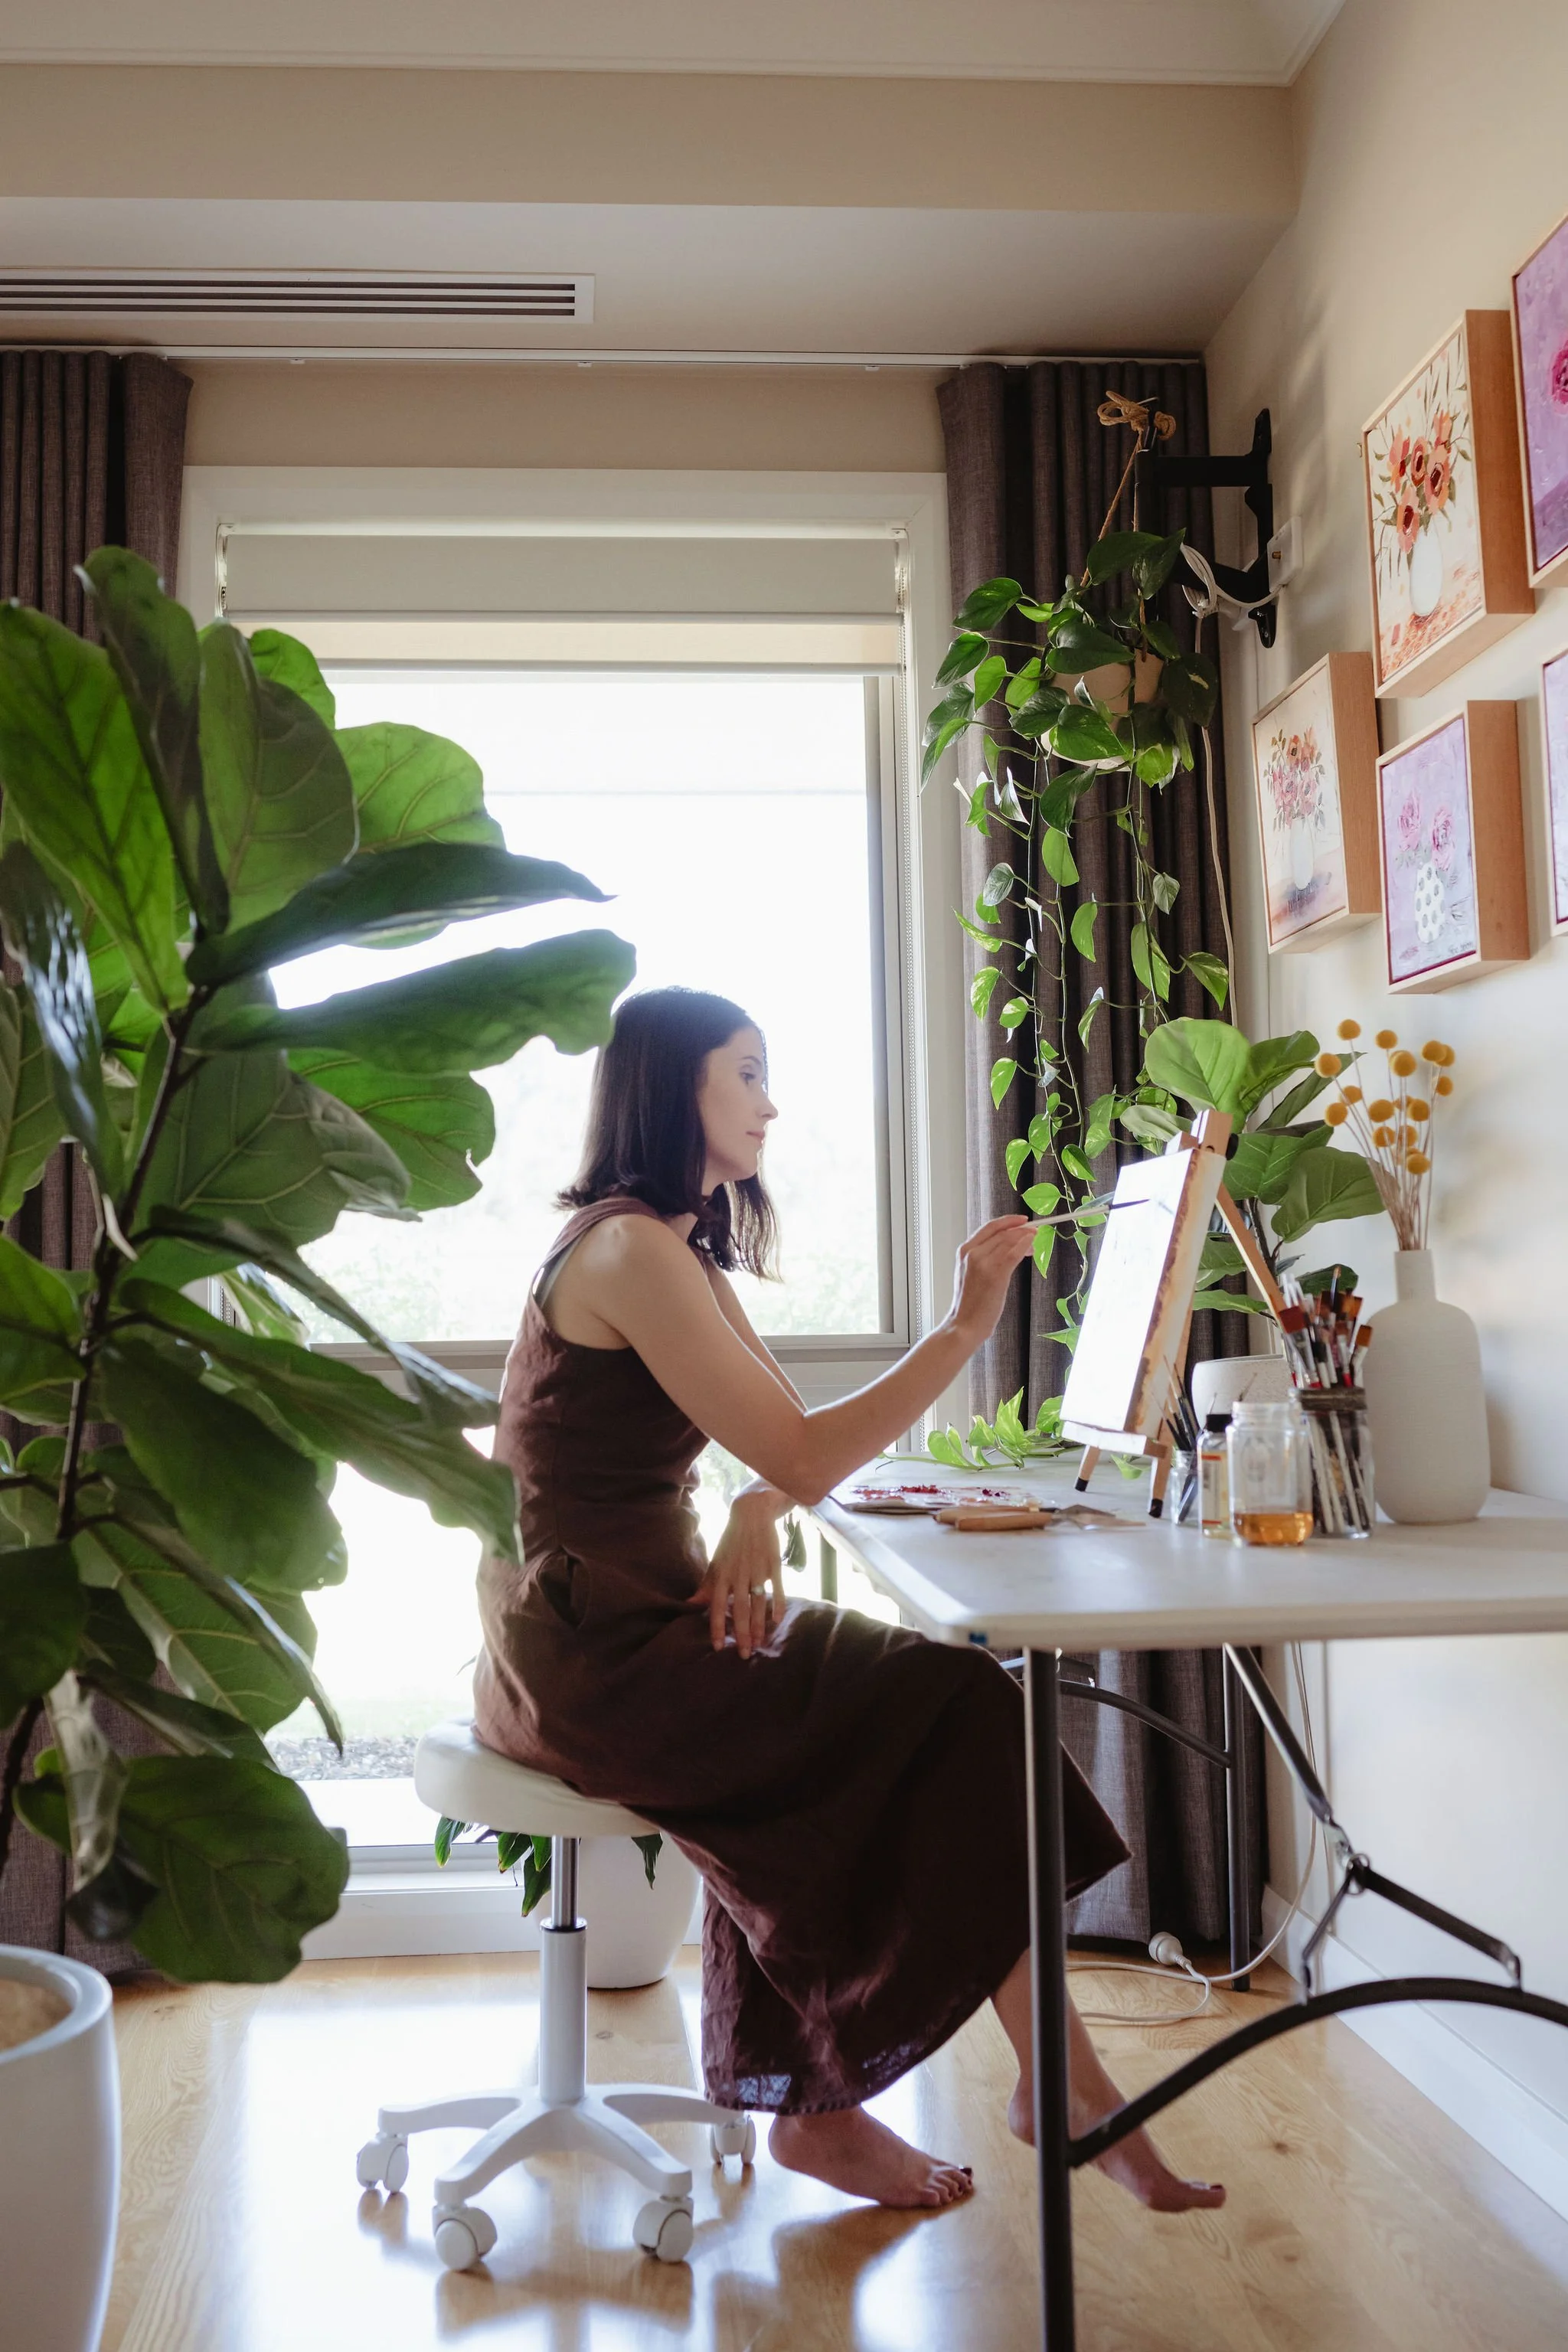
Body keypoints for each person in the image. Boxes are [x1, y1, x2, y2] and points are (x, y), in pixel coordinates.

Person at [475, 987, 1223, 2216]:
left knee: (926, 1706)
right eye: (747, 1075)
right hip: (593, 1657)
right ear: (677, 1091)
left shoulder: (675, 1243)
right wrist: (963, 1324)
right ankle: (1054, 2080)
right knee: (954, 1703)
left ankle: (865, 2109)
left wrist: (760, 1508)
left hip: (627, 1622)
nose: (771, 1103)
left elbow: (786, 1457)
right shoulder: (629, 1249)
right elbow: (813, 1451)